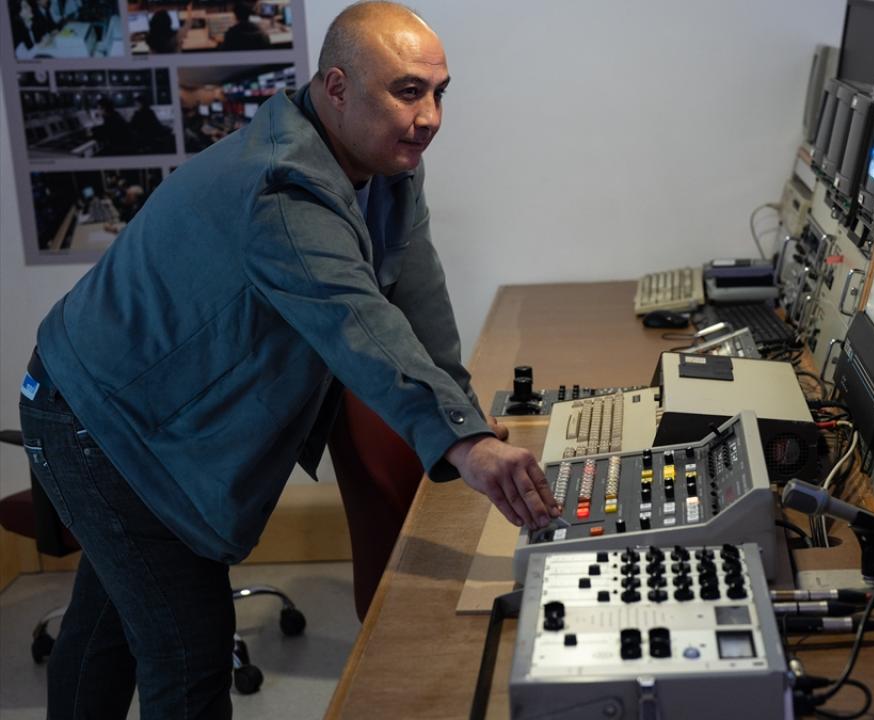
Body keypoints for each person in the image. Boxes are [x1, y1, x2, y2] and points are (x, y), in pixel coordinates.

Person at [17, 3, 558, 717]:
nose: (429, 117)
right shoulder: (282, 186)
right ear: (336, 88)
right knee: (188, 652)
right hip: (94, 416)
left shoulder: (385, 165)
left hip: (128, 409)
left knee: (110, 622)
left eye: (439, 93)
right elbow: (356, 319)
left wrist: (467, 422)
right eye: (407, 92)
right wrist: (465, 441)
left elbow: (416, 296)